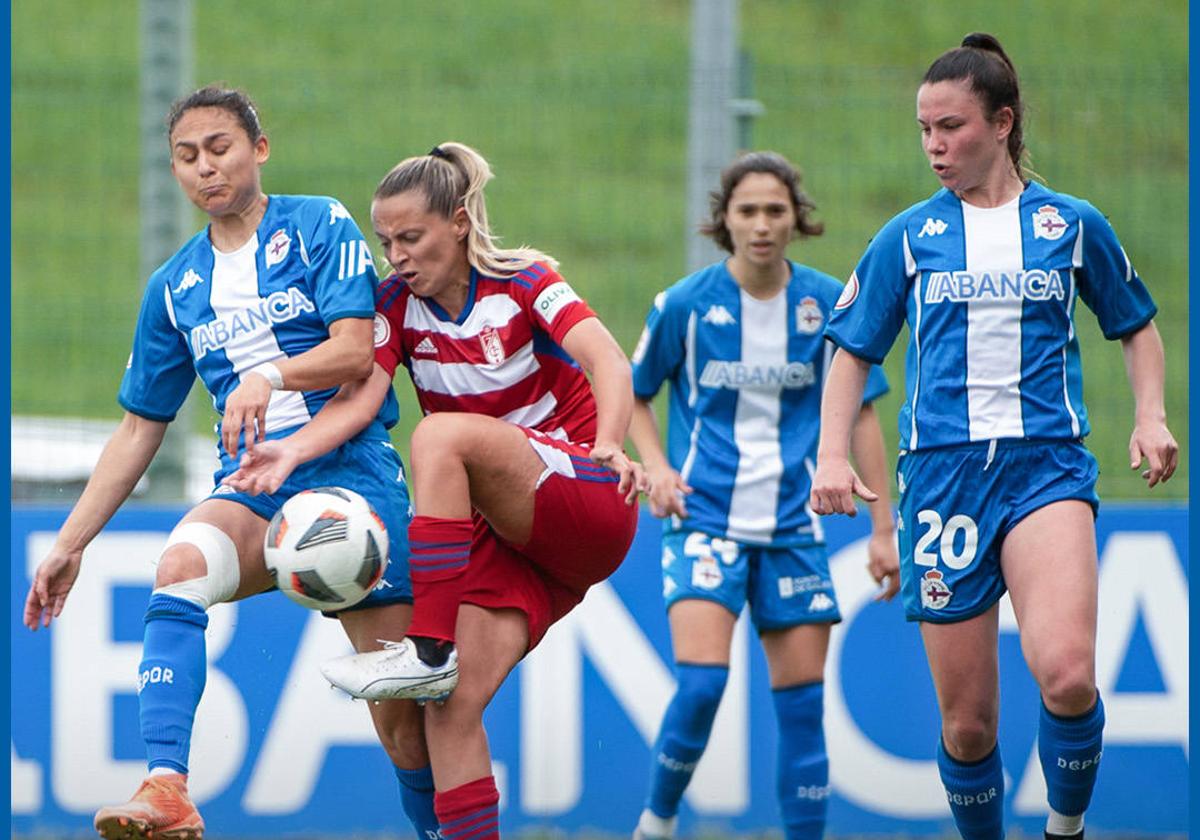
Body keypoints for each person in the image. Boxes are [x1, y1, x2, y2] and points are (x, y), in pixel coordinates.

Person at [21, 86, 438, 840]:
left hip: (352, 485)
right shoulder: (175, 287)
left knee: (406, 732)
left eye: (220, 148)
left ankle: (442, 829)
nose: (205, 168)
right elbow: (138, 429)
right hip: (250, 493)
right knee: (179, 565)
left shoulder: (318, 224)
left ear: (259, 149)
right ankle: (168, 787)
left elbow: (355, 351)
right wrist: (69, 544)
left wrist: (268, 375)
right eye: (187, 157)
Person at [811, 34, 1178, 840]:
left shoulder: (1070, 223)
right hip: (942, 481)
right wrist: (832, 453)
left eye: (952, 127)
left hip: (1046, 466)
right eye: (924, 130)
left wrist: (1150, 415)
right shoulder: (907, 237)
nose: (934, 146)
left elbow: (1136, 325)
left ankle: (1064, 829)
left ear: (1003, 123)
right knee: (970, 726)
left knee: (1069, 674)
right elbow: (850, 349)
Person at [222, 141, 642, 839]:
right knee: (447, 710)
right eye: (386, 242)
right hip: (516, 540)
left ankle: (427, 645)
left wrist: (609, 444)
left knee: (440, 436)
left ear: (459, 222)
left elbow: (607, 357)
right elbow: (359, 402)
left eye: (411, 237)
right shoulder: (395, 305)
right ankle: (436, 669)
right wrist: (289, 451)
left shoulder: (526, 279)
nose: (398, 256)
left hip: (585, 491)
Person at [627, 151, 899, 840]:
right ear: (724, 219)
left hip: (792, 526)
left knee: (803, 710)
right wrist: (655, 466)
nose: (762, 224)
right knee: (701, 687)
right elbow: (632, 395)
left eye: (775, 210)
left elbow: (861, 410)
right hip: (703, 518)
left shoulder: (827, 303)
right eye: (747, 210)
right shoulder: (685, 304)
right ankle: (656, 821)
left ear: (796, 218)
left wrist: (882, 528)